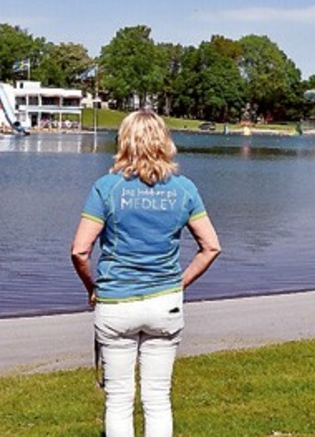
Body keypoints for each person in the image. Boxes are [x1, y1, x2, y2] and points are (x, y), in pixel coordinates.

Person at [71, 109, 222, 437]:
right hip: (165, 304)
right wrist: (179, 282)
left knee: (119, 398)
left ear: (124, 141)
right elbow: (211, 247)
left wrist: (92, 287)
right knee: (157, 398)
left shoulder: (106, 188)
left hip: (115, 305)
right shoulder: (185, 189)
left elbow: (80, 251)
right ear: (164, 142)